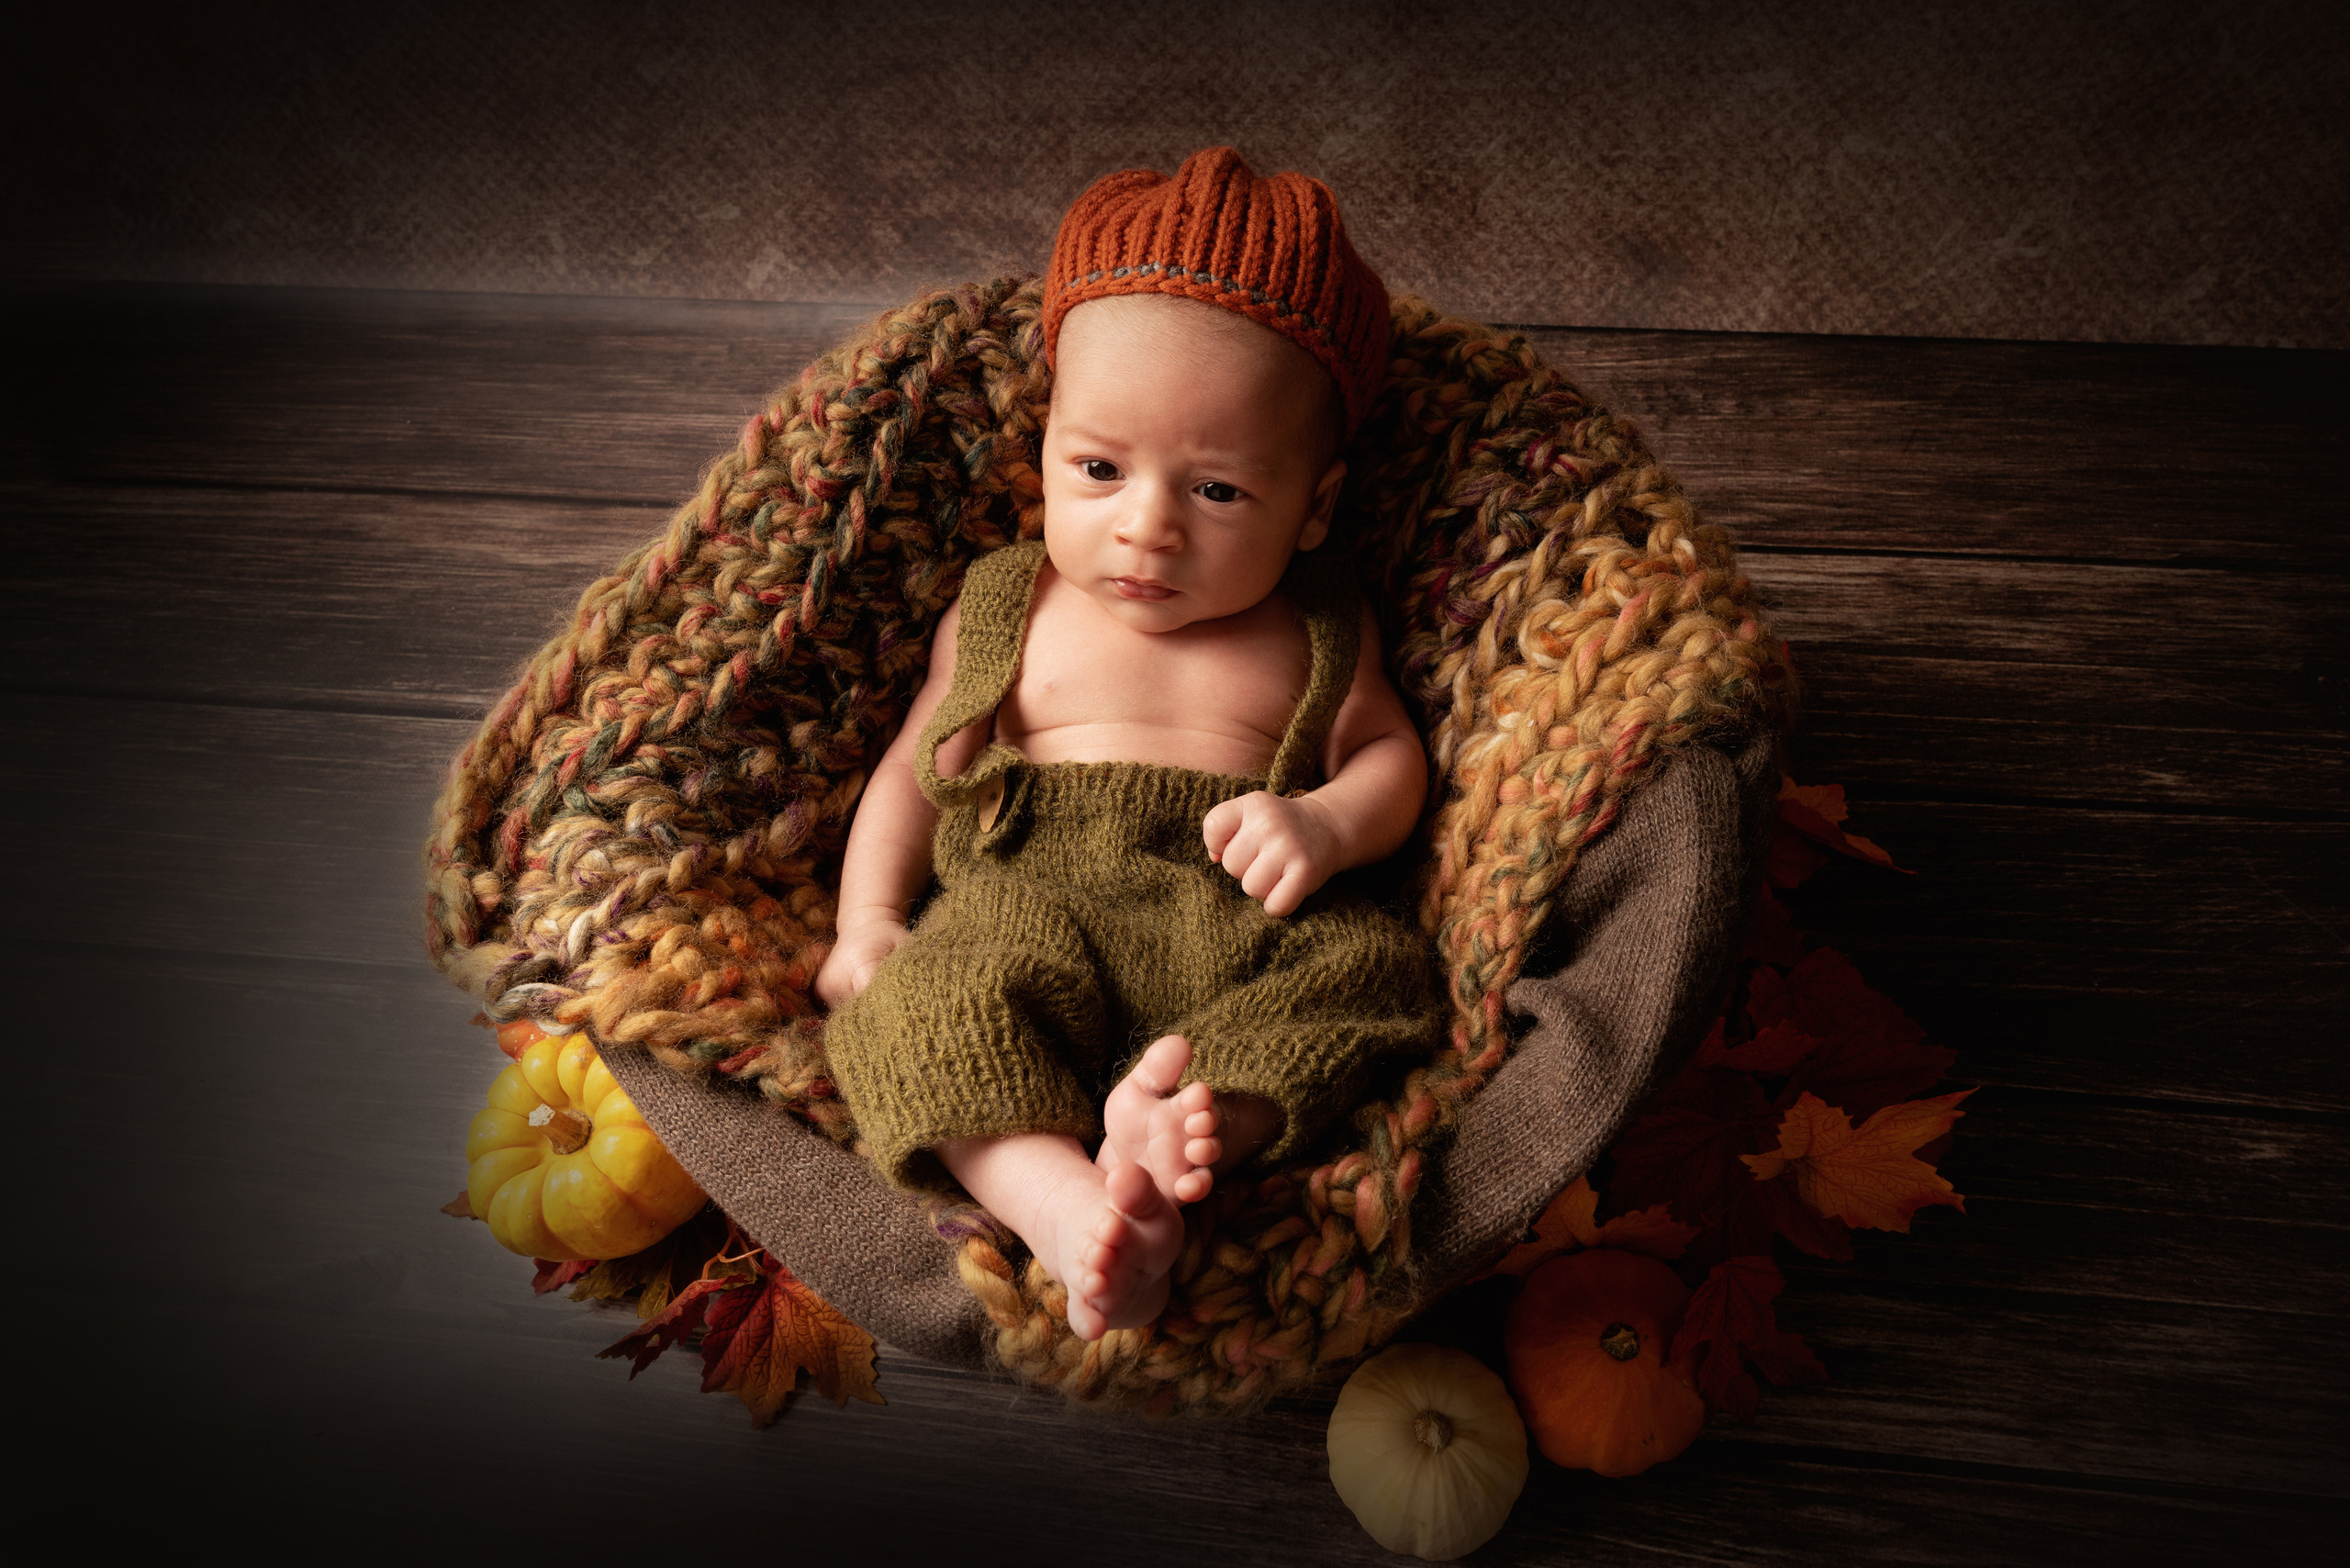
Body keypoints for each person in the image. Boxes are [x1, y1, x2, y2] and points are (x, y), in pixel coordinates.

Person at [812, 148, 1438, 1340]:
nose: (1145, 527)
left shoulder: (1322, 622)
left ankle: (1189, 1125)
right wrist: (868, 926)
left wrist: (1322, 822)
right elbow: (914, 769)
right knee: (914, 1004)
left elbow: (1390, 760)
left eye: (1218, 493)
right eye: (1099, 469)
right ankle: (1063, 1205)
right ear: (1045, 448)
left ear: (1313, 506)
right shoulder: (1008, 600)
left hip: (1245, 923)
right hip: (1030, 907)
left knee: (1374, 975)